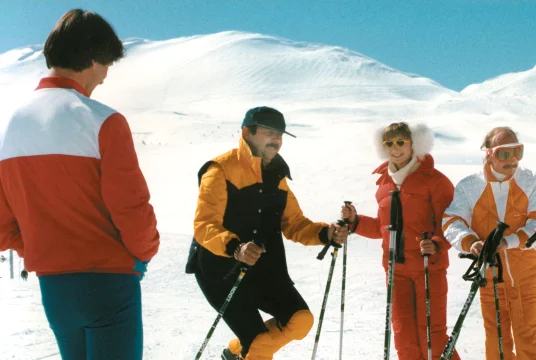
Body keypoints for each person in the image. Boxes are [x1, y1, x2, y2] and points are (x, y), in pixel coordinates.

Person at [0, 9, 159, 360]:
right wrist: (143, 253)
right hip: (109, 281)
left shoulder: (11, 125)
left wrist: (38, 249)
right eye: (106, 65)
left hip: (54, 287)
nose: (104, 77)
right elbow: (131, 208)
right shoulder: (104, 121)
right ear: (92, 59)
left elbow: (1, 222)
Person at [189, 106, 348, 360]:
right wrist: (235, 248)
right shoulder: (220, 170)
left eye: (280, 135)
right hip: (220, 268)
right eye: (269, 133)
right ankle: (249, 349)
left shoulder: (277, 176)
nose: (277, 140)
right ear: (247, 133)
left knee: (301, 321)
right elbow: (204, 226)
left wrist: (325, 233)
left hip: (263, 267)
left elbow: (294, 223)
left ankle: (236, 352)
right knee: (260, 343)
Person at [341, 122, 460, 360]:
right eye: (389, 143)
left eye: (400, 142)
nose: (395, 148)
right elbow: (382, 228)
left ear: (414, 143)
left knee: (432, 338)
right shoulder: (383, 185)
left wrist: (436, 243)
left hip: (429, 267)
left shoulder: (435, 181)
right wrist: (355, 222)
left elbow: (450, 223)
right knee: (403, 338)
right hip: (395, 270)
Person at [442, 127, 536, 359]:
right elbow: (451, 221)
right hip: (489, 275)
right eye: (503, 153)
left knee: (528, 337)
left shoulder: (531, 181)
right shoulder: (470, 186)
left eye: (517, 152)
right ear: (488, 153)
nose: (512, 160)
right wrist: (470, 242)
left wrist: (507, 242)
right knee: (496, 339)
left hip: (527, 275)